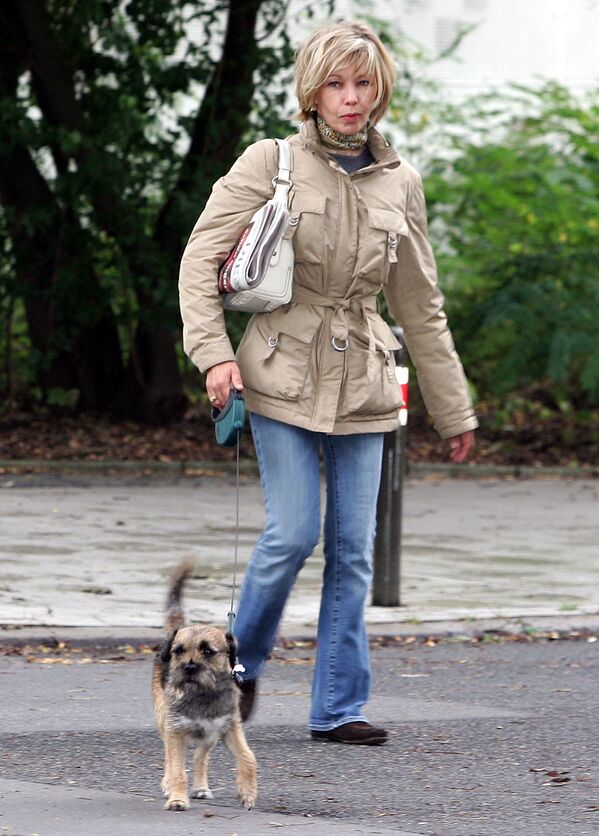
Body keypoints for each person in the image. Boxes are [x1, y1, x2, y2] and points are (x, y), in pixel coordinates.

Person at [179, 20, 477, 745]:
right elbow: (199, 259)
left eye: (363, 83)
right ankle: (230, 669)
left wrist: (453, 408)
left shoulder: (400, 181)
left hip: (366, 384)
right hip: (278, 370)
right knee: (292, 532)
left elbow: (418, 301)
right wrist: (215, 355)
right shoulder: (271, 161)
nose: (350, 99)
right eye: (336, 84)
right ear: (311, 91)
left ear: (380, 92)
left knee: (352, 551)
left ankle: (338, 706)